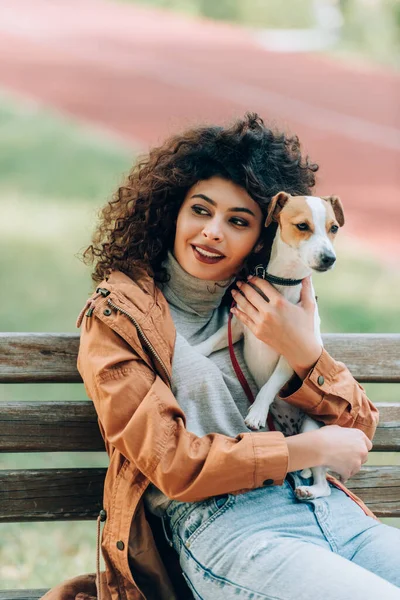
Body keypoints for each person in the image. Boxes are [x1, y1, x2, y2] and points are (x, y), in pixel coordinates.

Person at [42, 113, 400, 600]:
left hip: (329, 514)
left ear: (265, 234)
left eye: (237, 221)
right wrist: (302, 452)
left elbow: (356, 431)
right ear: (172, 210)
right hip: (227, 528)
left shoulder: (274, 301)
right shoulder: (121, 315)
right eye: (201, 210)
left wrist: (305, 352)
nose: (213, 232)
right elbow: (169, 461)